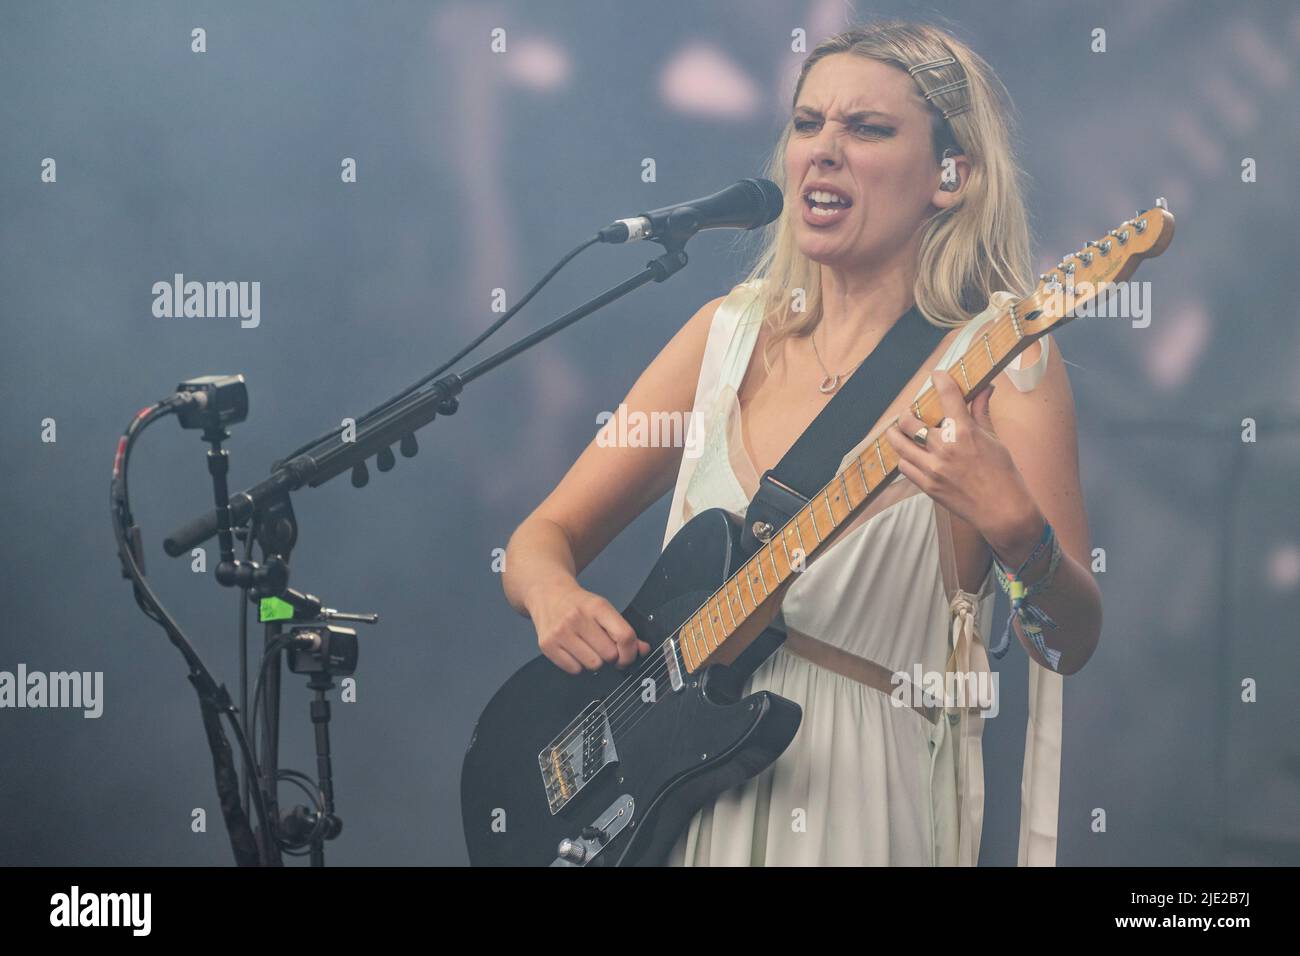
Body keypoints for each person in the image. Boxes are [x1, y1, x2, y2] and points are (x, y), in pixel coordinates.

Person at [501, 20, 1101, 866]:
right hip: (671, 805)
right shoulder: (725, 336)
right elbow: (536, 541)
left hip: (857, 807)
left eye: (867, 129)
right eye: (808, 122)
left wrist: (1017, 535)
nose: (823, 150)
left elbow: (1067, 642)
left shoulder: (1004, 362)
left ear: (951, 177)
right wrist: (554, 597)